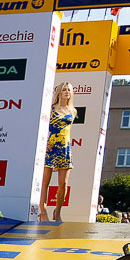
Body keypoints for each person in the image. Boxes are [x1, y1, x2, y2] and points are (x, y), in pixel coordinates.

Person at [40, 82, 76, 223]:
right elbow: (42, 127)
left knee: (63, 183)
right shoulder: (51, 108)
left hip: (65, 147)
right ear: (59, 92)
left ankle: (58, 211)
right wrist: (44, 143)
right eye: (64, 90)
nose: (67, 92)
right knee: (45, 181)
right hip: (50, 146)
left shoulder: (73, 111)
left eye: (69, 90)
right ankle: (42, 211)